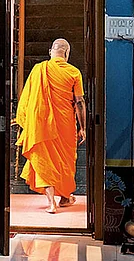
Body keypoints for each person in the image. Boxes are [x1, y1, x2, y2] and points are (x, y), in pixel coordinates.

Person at [14, 39, 86, 213]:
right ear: (67, 53)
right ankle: (64, 197)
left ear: (50, 52)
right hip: (65, 125)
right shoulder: (74, 72)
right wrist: (83, 127)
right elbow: (79, 102)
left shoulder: (39, 70)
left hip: (41, 124)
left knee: (44, 160)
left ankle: (51, 203)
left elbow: (27, 98)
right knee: (65, 162)